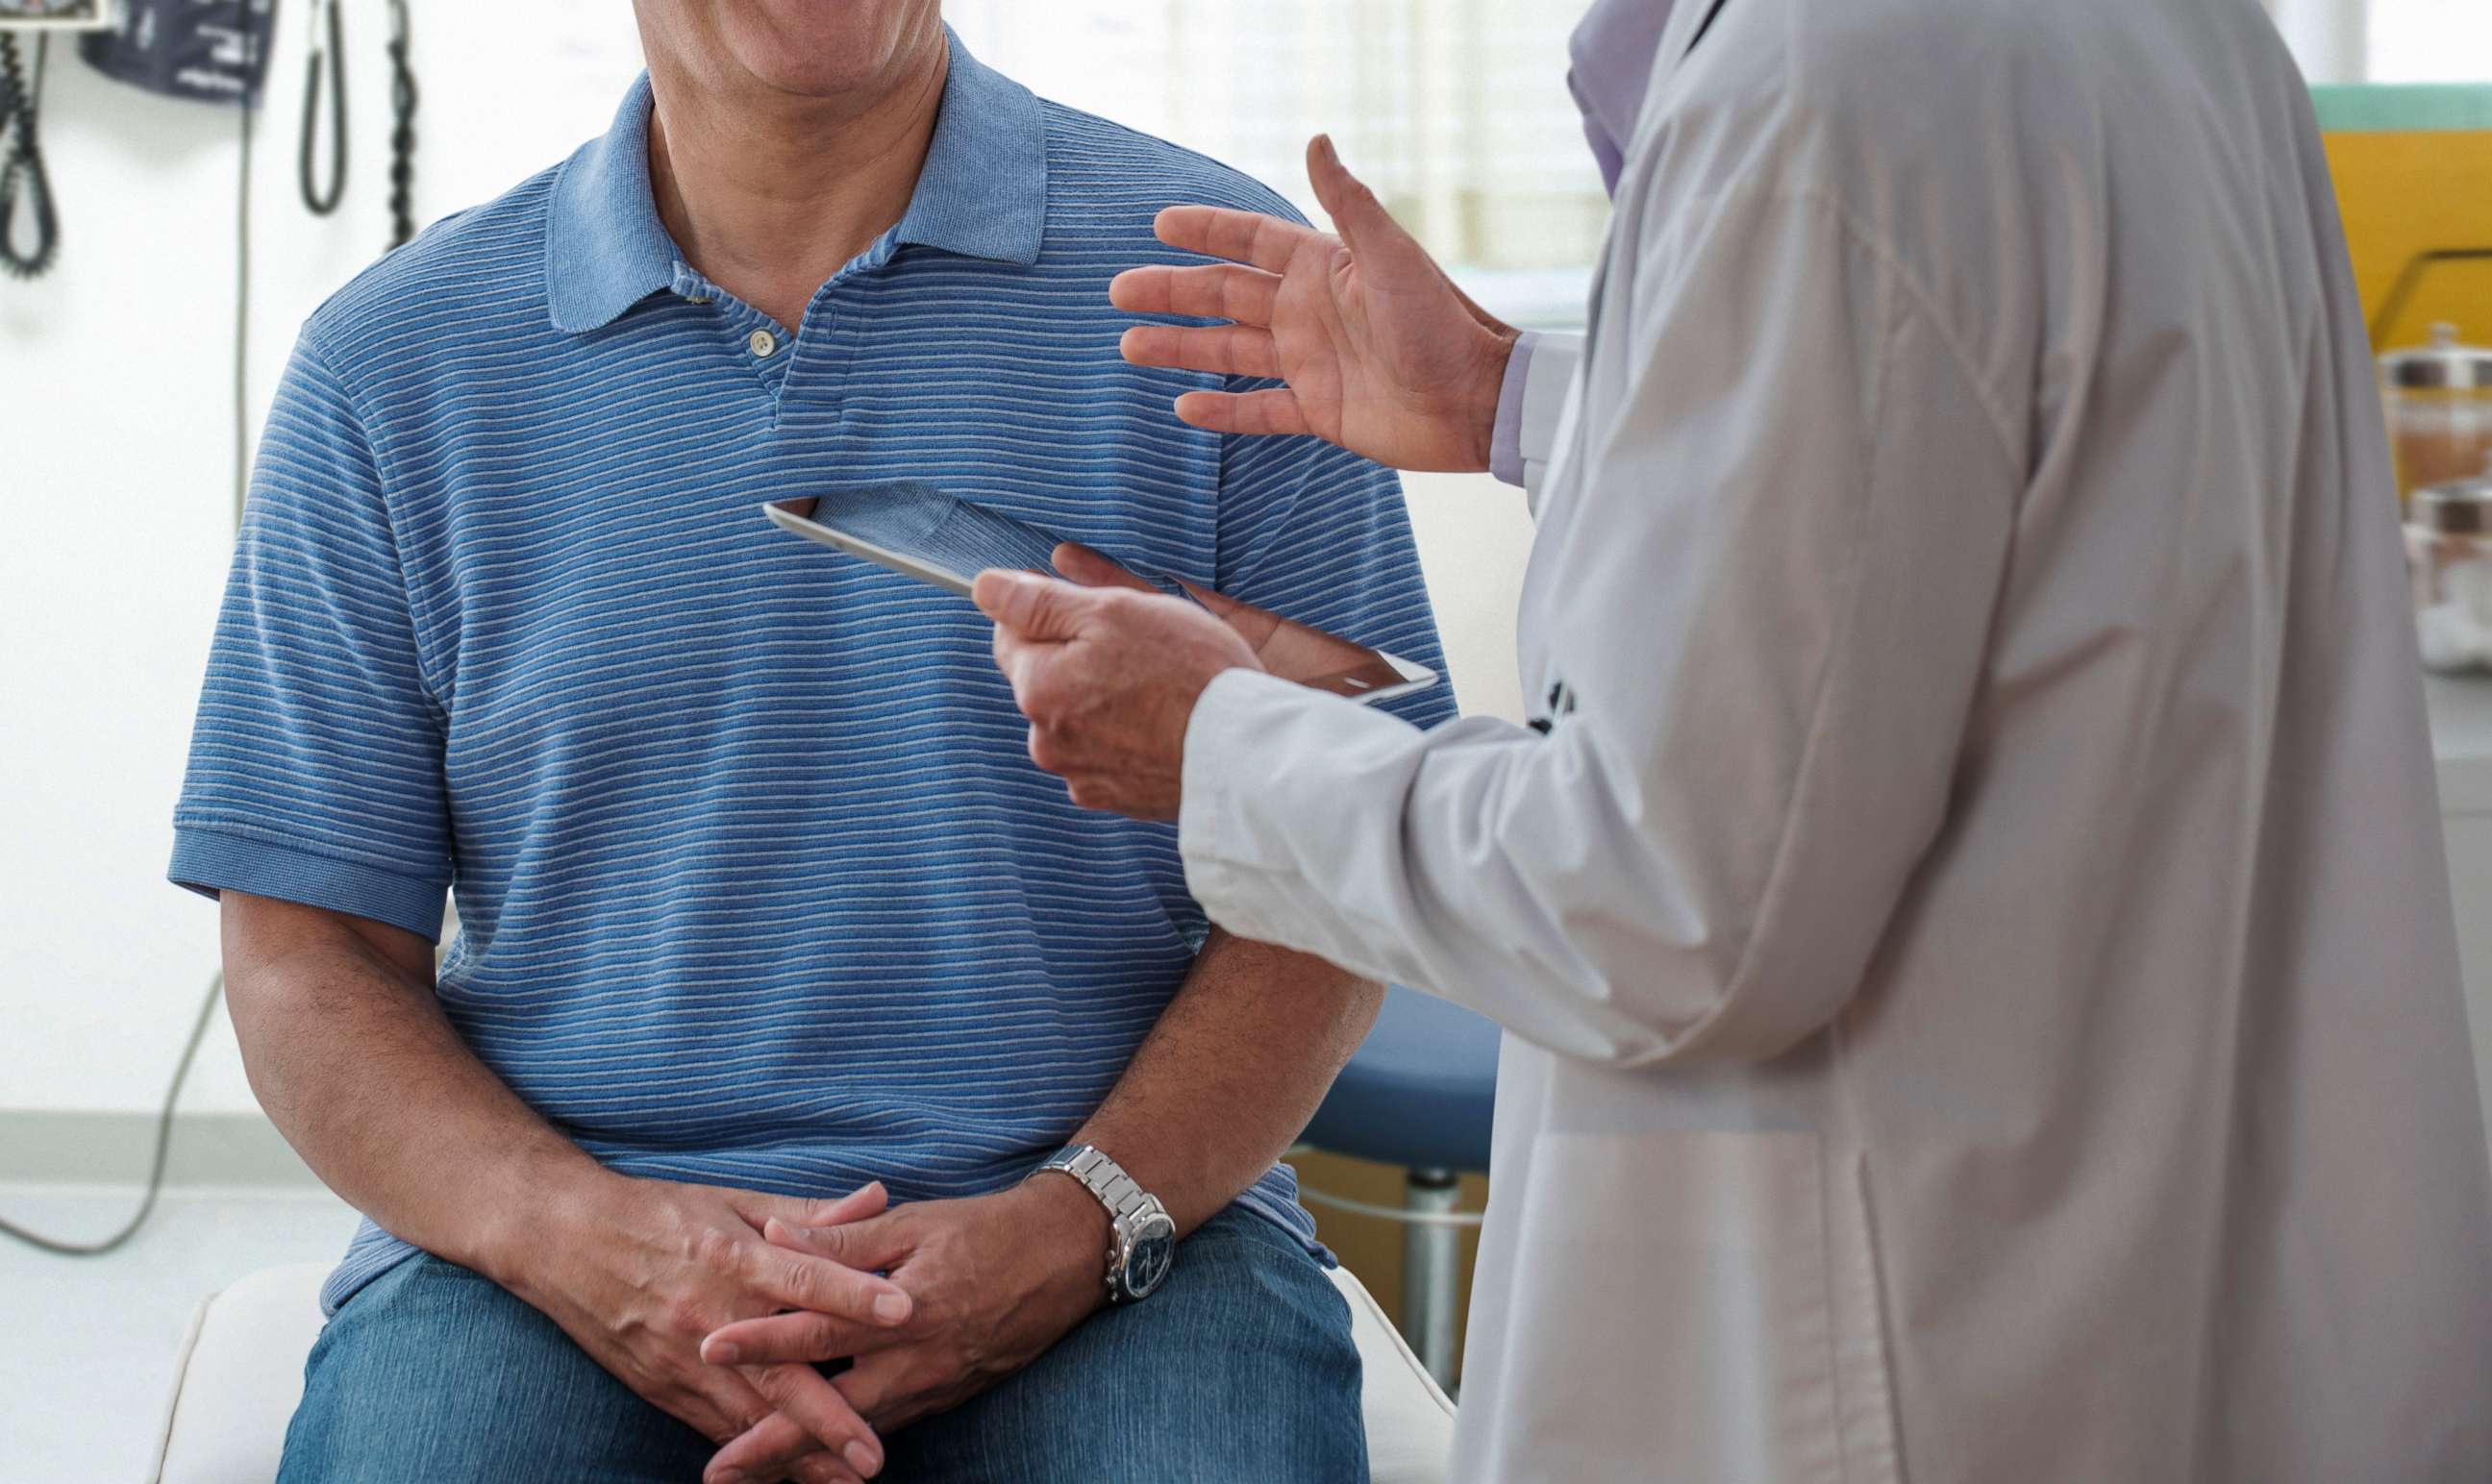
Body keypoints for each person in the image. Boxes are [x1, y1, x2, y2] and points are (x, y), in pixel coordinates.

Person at [965, 0, 2492, 1477]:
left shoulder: (1829, 94)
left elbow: (1673, 901)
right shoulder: (2163, 34)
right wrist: (1522, 403)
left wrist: (1218, 747)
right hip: (2132, 1277)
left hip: (1926, 1348)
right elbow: (1967, 495)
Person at [168, 4, 1451, 1481]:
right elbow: (304, 955)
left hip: (1114, 1225)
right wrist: (585, 1240)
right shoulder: (395, 363)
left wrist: (1075, 1221)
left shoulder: (1215, 285)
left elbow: (1344, 873)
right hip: (551, 1245)